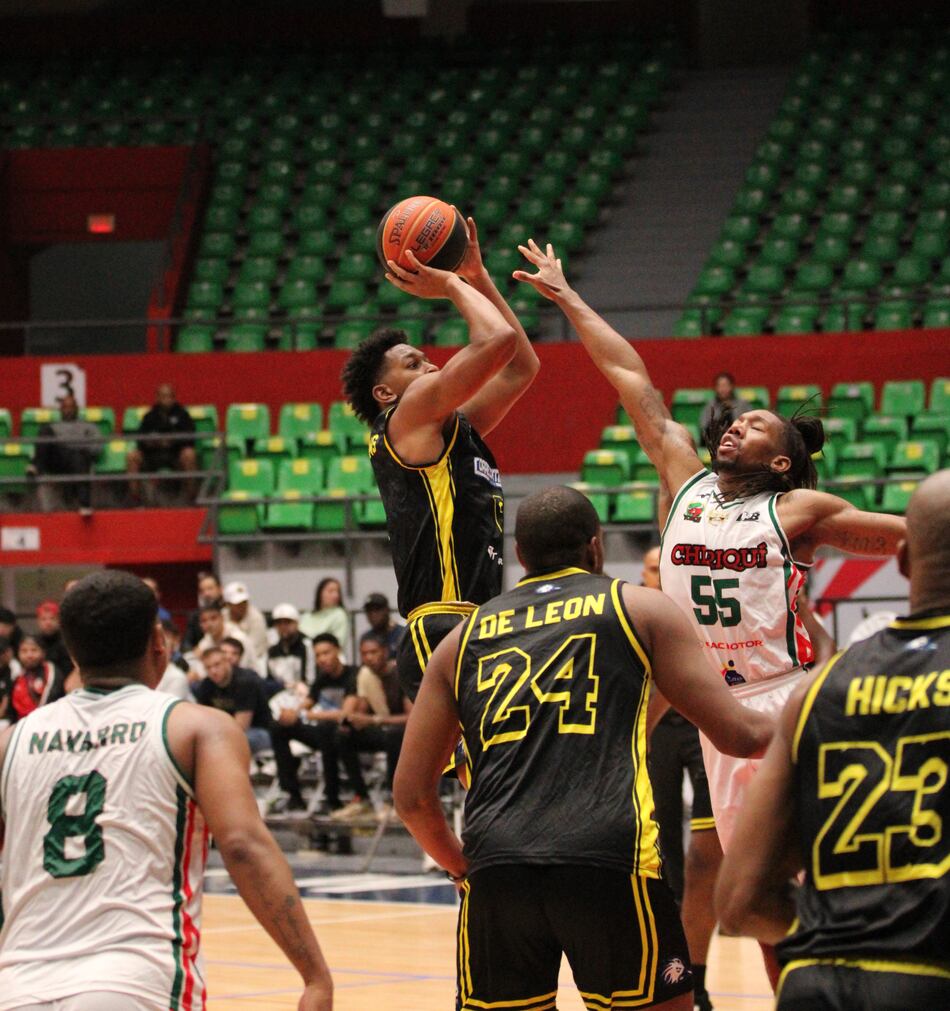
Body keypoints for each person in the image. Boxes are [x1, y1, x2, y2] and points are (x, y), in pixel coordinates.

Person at [514, 240, 906, 987]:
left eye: (755, 425)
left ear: (783, 460)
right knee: (755, 899)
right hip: (712, 710)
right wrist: (567, 298)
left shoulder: (796, 508)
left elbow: (910, 531)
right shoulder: (685, 483)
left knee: (782, 882)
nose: (735, 426)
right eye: (735, 420)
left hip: (781, 699)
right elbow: (632, 378)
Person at [394, 486, 775, 1011]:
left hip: (498, 867)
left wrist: (462, 870)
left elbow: (412, 796)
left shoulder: (462, 639)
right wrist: (831, 708)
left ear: (520, 556)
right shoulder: (639, 608)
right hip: (608, 859)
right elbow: (743, 736)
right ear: (595, 548)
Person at [0, 570, 332, 1010]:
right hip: (138, 980)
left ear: (71, 652)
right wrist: (314, 976)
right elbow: (242, 845)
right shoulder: (198, 728)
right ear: (159, 641)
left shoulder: (10, 741)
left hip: (18, 983)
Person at [716, 469, 950, 1010]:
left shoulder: (817, 689)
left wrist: (842, 926)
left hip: (814, 983)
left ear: (904, 560)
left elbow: (739, 901)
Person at [341, 217, 539, 701]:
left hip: (476, 620)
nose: (430, 365)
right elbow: (495, 342)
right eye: (413, 364)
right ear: (385, 392)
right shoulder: (405, 418)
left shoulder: (449, 426)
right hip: (445, 623)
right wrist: (449, 282)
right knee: (493, 773)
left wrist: (476, 275)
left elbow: (520, 367)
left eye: (427, 359)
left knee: (487, 776)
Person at [641, 545, 721, 1011]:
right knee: (665, 856)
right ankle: (676, 973)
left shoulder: (697, 604)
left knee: (705, 856)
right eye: (652, 568)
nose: (658, 574)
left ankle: (702, 977)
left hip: (702, 725)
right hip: (657, 734)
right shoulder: (635, 609)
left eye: (662, 567)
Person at [269, 633, 359, 814]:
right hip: (324, 731)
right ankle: (293, 794)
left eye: (326, 653)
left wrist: (305, 714)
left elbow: (345, 714)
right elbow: (307, 703)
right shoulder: (322, 678)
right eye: (318, 655)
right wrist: (292, 714)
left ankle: (332, 798)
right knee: (279, 728)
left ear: (338, 651)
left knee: (327, 730)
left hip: (349, 733)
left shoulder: (353, 674)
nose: (322, 659)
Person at [331, 632, 412, 822]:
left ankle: (392, 799)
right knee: (343, 735)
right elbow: (363, 709)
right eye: (364, 654)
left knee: (394, 734)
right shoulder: (365, 675)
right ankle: (361, 797)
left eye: (373, 652)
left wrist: (373, 720)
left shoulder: (401, 673)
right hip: (383, 730)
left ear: (385, 652)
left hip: (406, 734)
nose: (369, 657)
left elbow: (412, 717)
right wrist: (352, 720)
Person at [27, 393, 102, 515]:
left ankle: (85, 505)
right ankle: (37, 466)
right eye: (65, 407)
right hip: (58, 460)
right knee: (45, 430)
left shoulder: (89, 426)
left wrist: (80, 449)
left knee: (79, 457)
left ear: (77, 409)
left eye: (71, 407)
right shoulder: (53, 427)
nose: (68, 410)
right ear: (60, 410)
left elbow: (97, 446)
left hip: (79, 459)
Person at [192, 645, 272, 756]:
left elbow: (240, 727)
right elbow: (202, 720)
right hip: (224, 732)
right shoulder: (206, 685)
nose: (213, 671)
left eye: (217, 665)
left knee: (229, 743)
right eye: (208, 668)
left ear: (227, 662)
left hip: (258, 731)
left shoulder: (245, 682)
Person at [127, 383, 198, 502]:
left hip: (175, 455)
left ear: (174, 398)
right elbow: (140, 439)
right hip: (153, 455)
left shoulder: (182, 415)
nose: (166, 399)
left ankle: (192, 498)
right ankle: (136, 500)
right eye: (163, 396)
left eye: (169, 396)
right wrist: (153, 443)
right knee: (132, 456)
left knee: (189, 454)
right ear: (157, 398)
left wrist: (172, 441)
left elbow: (190, 438)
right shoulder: (149, 416)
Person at [10, 635, 65, 722]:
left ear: (43, 653)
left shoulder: (51, 672)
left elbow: (52, 703)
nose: (29, 655)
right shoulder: (17, 676)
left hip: (46, 724)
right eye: (24, 651)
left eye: (34, 650)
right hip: (21, 726)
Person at [194, 602, 255, 672]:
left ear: (222, 618)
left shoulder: (239, 638)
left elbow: (240, 670)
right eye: (204, 621)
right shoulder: (208, 638)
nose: (209, 624)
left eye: (213, 618)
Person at [267, 604, 315, 691]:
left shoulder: (307, 646)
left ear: (296, 623)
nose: (283, 627)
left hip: (303, 692)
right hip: (279, 692)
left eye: (287, 622)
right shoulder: (272, 650)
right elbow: (270, 679)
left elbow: (310, 679)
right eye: (279, 623)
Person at [299, 577, 350, 659]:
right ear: (320, 593)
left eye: (338, 592)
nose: (335, 595)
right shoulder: (306, 616)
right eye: (330, 591)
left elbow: (339, 643)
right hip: (305, 656)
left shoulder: (339, 614)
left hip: (330, 659)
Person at [698, 373, 752, 445]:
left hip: (741, 442)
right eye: (720, 386)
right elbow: (703, 428)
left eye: (725, 385)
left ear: (732, 386)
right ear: (715, 388)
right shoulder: (710, 406)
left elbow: (750, 425)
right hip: (715, 443)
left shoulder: (743, 405)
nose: (723, 389)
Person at [223, 581, 269, 662]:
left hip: (256, 659)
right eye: (238, 604)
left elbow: (251, 648)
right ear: (228, 604)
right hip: (227, 660)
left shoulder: (256, 617)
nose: (242, 606)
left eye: (244, 602)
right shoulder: (222, 616)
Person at [182, 571, 224, 652]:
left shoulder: (230, 610)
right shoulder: (195, 616)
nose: (206, 594)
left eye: (210, 588)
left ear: (220, 589)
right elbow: (186, 644)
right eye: (202, 591)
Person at [33, 600, 72, 676]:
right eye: (44, 619)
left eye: (52, 618)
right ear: (38, 621)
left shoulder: (69, 642)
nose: (48, 623)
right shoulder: (34, 643)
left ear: (59, 620)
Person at [362, 593, 403, 663]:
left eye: (377, 610)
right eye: (369, 611)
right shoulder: (366, 637)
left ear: (387, 610)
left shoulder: (402, 633)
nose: (373, 614)